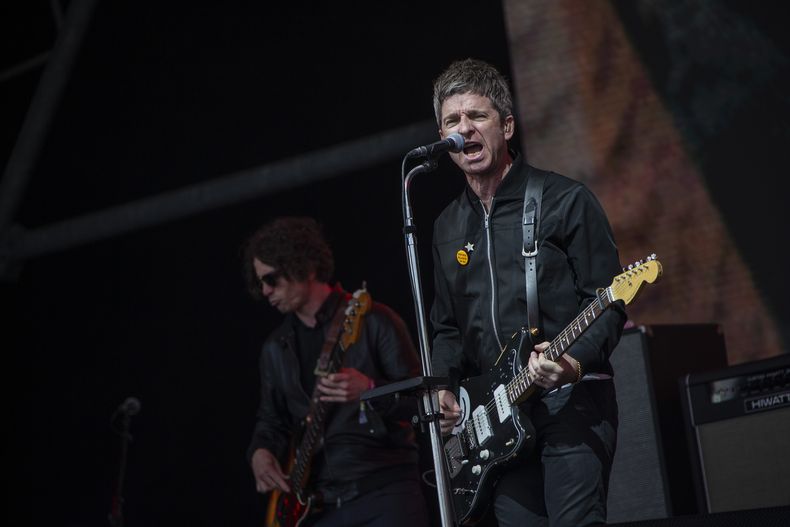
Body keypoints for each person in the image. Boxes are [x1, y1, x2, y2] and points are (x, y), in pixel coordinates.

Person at [429, 58, 627, 526]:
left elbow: (608, 300)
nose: (464, 129)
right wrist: (442, 387)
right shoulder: (446, 227)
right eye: (453, 121)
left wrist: (572, 362)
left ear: (507, 126)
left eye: (477, 116)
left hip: (570, 401)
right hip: (498, 418)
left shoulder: (565, 200)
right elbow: (446, 327)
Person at [243, 216, 429, 527]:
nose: (265, 290)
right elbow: (271, 420)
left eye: (271, 279)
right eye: (259, 282)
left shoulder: (374, 319)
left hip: (384, 491)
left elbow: (423, 401)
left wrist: (370, 390)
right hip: (318, 506)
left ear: (303, 266)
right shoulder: (276, 348)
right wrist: (260, 452)